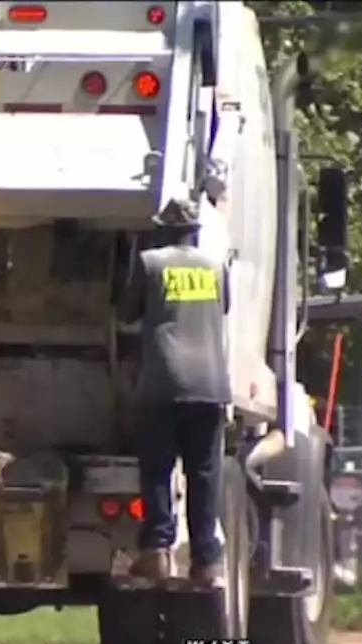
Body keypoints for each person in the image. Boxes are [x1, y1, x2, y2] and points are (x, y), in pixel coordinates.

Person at [119, 198, 231, 587]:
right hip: (211, 385)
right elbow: (224, 309)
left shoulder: (150, 264)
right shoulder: (217, 267)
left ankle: (158, 551)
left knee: (157, 469)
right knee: (204, 474)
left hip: (163, 384)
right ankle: (207, 562)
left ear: (162, 230)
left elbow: (127, 313)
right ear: (194, 230)